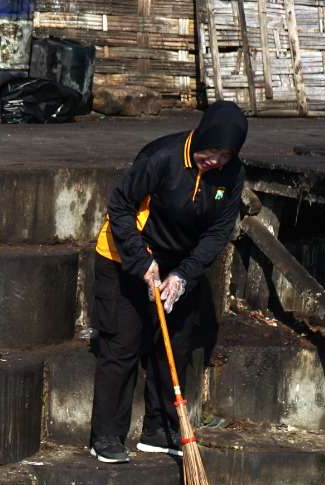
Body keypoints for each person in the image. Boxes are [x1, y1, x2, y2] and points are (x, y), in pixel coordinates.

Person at [89, 101, 249, 464]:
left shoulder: (231, 174)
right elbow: (120, 206)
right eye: (211, 153)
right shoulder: (162, 157)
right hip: (126, 253)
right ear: (200, 140)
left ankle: (159, 430)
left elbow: (218, 231)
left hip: (178, 263)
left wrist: (184, 274)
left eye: (225, 156)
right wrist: (141, 261)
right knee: (123, 343)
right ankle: (107, 436)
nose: (217, 162)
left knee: (174, 345)